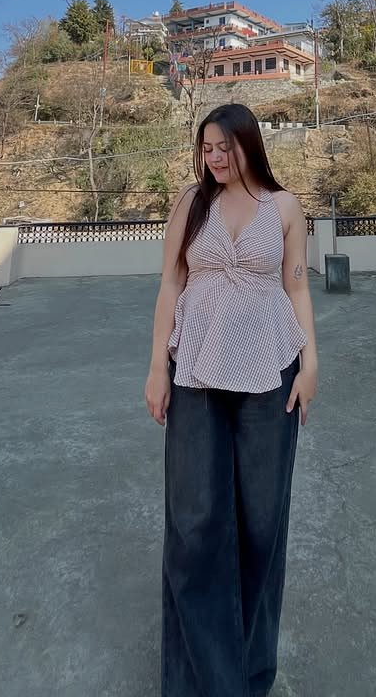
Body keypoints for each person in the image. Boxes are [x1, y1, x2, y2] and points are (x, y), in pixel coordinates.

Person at [145, 102, 318, 697]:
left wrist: (312, 362)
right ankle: (200, 682)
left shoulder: (284, 206)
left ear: (250, 145)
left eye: (225, 147)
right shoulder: (191, 204)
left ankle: (249, 674)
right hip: (195, 371)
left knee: (263, 525)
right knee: (195, 526)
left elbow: (297, 285)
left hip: (270, 372)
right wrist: (157, 367)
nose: (215, 159)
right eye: (207, 149)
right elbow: (171, 282)